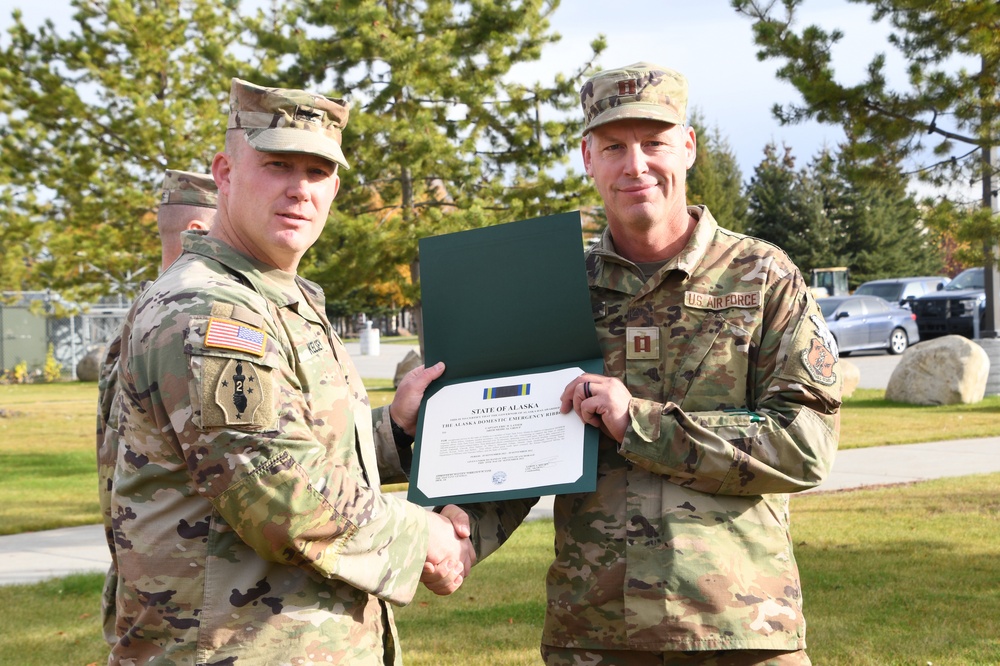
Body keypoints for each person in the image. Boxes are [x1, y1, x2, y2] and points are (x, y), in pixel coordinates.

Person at [442, 62, 842, 665]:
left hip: (740, 630)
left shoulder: (762, 276)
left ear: (687, 148)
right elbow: (524, 442)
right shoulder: (555, 290)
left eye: (653, 143)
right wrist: (463, 535)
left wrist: (643, 426)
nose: (635, 165)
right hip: (595, 635)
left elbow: (805, 443)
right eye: (613, 147)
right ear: (587, 157)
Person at [104, 78, 473, 665]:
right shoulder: (209, 311)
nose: (299, 189)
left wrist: (394, 430)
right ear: (225, 173)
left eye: (318, 171)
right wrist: (423, 535)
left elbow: (287, 447)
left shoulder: (277, 299)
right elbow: (278, 492)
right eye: (278, 165)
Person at [96, 168, 218, 643]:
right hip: (188, 603)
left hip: (155, 588)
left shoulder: (141, 320)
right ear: (196, 233)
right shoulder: (179, 326)